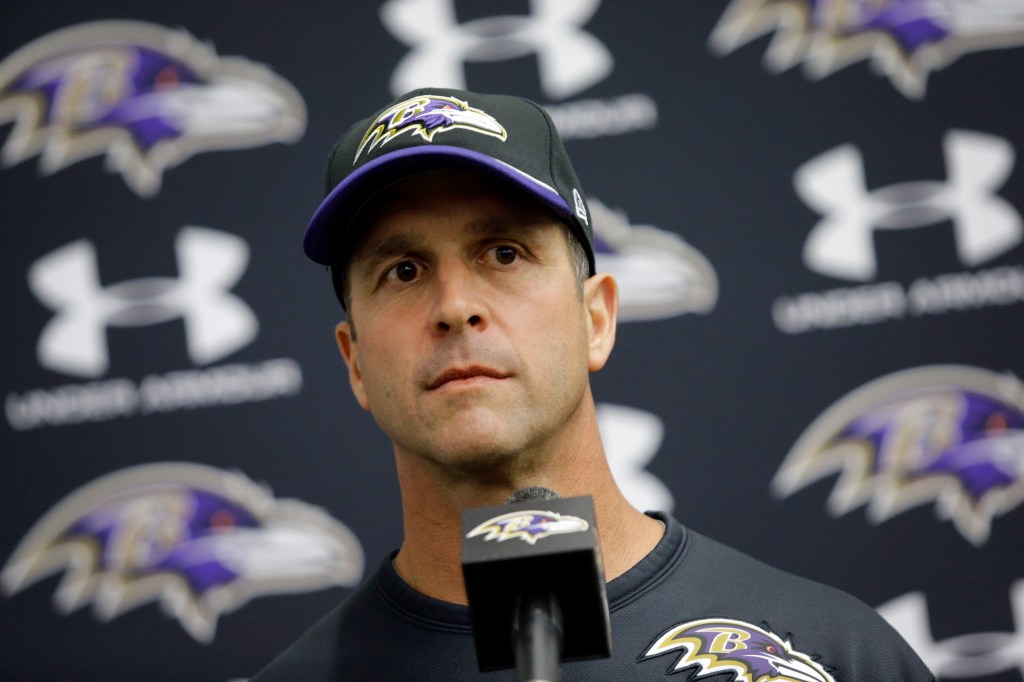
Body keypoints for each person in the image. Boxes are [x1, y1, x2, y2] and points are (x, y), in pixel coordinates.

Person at [252, 88, 934, 681]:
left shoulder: (826, 655)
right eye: (402, 270)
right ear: (355, 363)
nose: (455, 306)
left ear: (596, 318)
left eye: (504, 253)